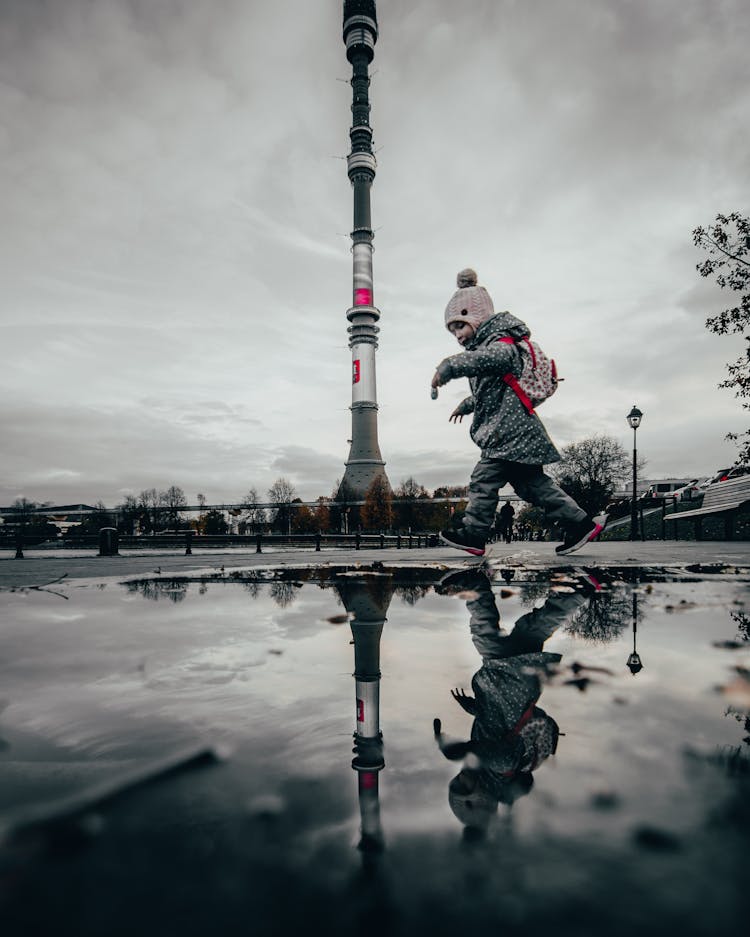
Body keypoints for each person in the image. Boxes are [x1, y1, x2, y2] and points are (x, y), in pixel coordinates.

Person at [431, 268, 605, 557]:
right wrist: (467, 404)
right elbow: (493, 391)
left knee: (483, 479)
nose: (458, 336)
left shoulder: (501, 345)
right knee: (532, 486)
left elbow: (493, 360)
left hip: (507, 432)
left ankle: (474, 533)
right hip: (516, 430)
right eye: (452, 331)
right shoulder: (493, 346)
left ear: (477, 318)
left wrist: (450, 366)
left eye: (460, 326)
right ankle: (580, 523)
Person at [433, 568, 591, 839]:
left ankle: (581, 590)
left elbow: (492, 721)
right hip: (510, 680)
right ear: (481, 794)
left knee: (533, 629)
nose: (461, 776)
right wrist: (461, 750)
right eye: (464, 782)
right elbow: (494, 752)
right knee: (485, 636)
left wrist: (471, 706)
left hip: (515, 683)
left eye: (456, 780)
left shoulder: (494, 769)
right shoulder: (500, 768)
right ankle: (474, 584)